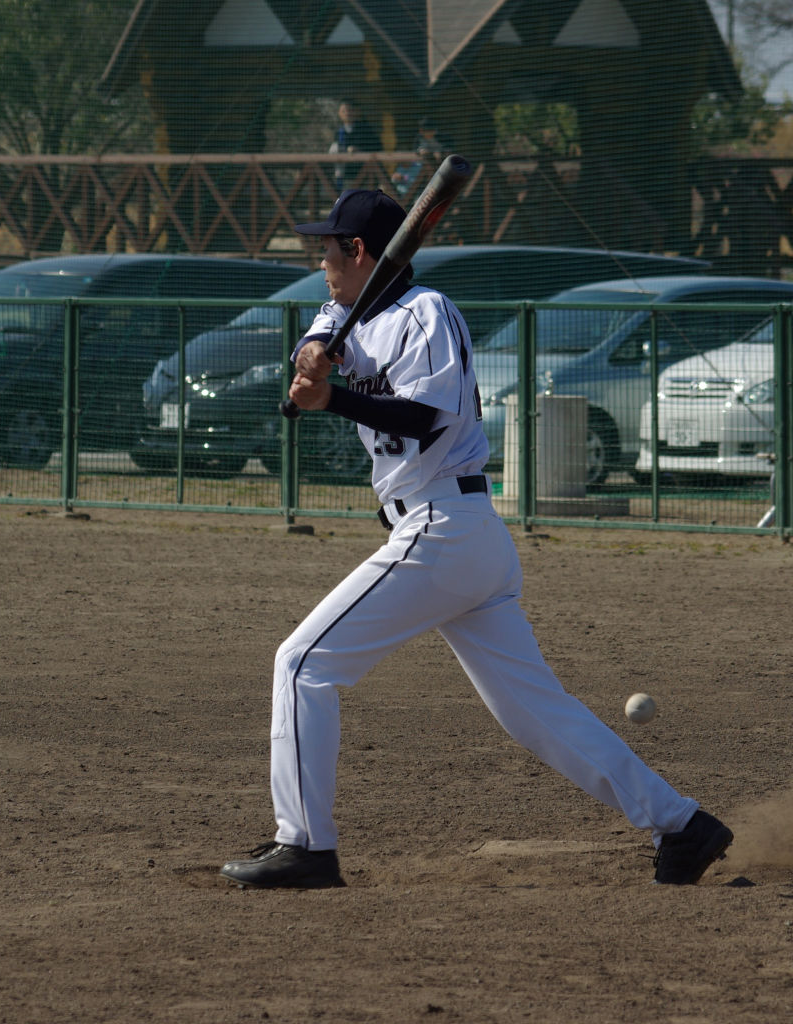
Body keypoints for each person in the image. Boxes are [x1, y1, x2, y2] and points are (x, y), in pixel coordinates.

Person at [220, 189, 735, 890]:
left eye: (329, 249)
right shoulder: (352, 311)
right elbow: (324, 328)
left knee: (302, 663)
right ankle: (682, 824)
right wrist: (312, 353)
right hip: (456, 536)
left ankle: (305, 845)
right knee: (535, 714)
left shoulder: (426, 312)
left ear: (360, 251)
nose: (321, 262)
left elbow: (427, 417)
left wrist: (332, 398)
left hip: (443, 528)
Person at [330, 100, 380, 189]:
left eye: (350, 110)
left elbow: (377, 147)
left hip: (363, 174)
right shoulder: (338, 131)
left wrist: (359, 150)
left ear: (356, 112)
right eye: (343, 111)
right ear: (339, 114)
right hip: (345, 175)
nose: (347, 113)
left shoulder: (365, 129)